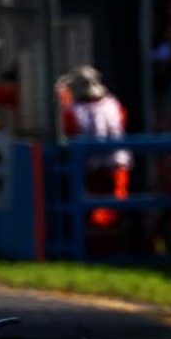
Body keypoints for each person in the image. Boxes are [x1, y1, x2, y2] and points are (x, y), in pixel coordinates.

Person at [60, 65, 132, 241]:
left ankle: (103, 247)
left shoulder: (74, 112)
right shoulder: (114, 105)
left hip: (92, 169)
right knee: (111, 210)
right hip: (115, 165)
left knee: (100, 212)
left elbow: (69, 132)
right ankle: (111, 247)